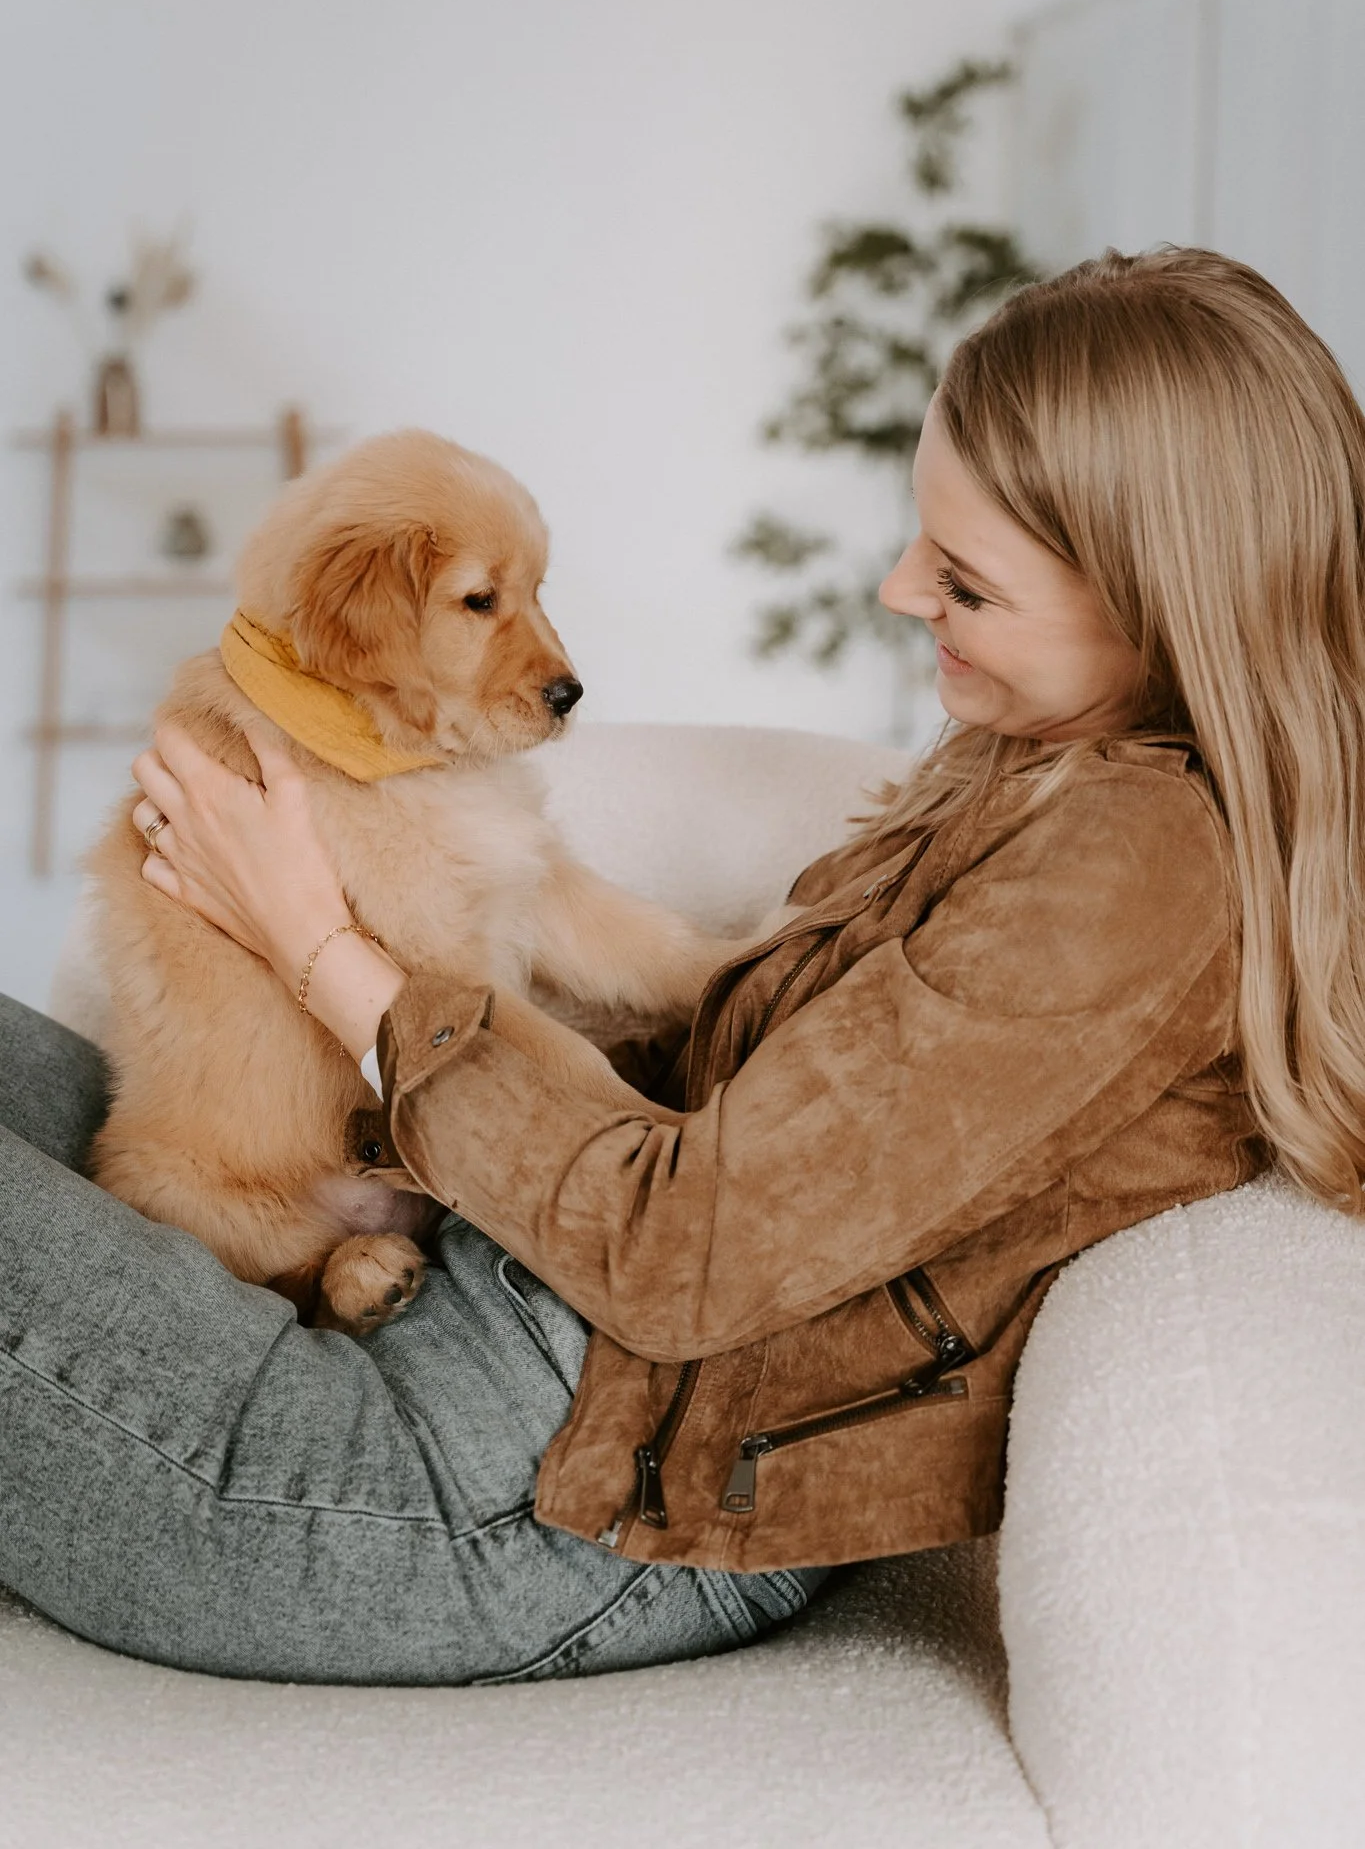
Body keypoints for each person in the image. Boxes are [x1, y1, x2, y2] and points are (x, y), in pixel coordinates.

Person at [3, 245, 1363, 1684]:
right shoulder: (1058, 782)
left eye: (964, 578)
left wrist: (315, 941)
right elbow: (759, 1119)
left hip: (490, 1488)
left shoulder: (1137, 868)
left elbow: (686, 1252)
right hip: (495, 1321)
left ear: (1164, 602)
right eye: (923, 536)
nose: (903, 589)